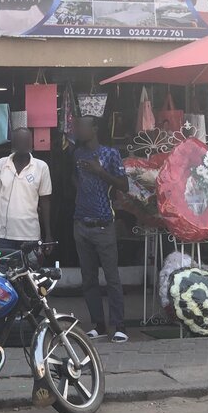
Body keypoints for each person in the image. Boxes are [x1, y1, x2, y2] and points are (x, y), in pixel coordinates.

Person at [72, 115, 129, 343]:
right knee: (88, 279)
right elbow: (73, 178)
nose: (78, 131)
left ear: (94, 128)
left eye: (82, 127)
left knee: (112, 277)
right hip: (81, 223)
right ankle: (99, 324)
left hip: (104, 224)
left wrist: (100, 172)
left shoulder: (110, 154)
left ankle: (119, 325)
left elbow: (124, 185)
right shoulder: (77, 154)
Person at [0, 128, 53, 254]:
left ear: (31, 143)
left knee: (30, 272)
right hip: (4, 235)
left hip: (30, 235)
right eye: (20, 141)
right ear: (13, 144)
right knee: (5, 271)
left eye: (27, 141)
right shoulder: (2, 164)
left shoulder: (41, 167)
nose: (23, 144)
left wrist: (48, 235)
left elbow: (45, 202)